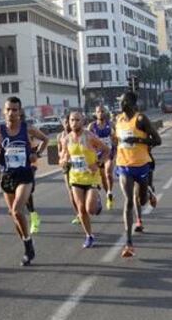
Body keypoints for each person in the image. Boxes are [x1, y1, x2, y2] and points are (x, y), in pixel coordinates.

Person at [0, 96, 49, 266]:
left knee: (16, 210)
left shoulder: (27, 129)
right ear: (3, 111)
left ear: (20, 112)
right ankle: (27, 244)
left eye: (15, 110)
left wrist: (37, 153)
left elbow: (45, 139)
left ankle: (28, 245)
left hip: (25, 175)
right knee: (14, 215)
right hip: (8, 176)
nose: (11, 113)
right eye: (8, 110)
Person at [112, 91, 161, 258]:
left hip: (141, 165)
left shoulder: (141, 119)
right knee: (128, 201)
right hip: (124, 165)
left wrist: (139, 141)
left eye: (124, 101)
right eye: (120, 101)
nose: (121, 104)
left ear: (132, 104)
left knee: (142, 200)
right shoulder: (118, 120)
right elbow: (117, 139)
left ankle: (148, 190)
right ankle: (129, 242)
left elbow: (157, 140)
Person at [60, 110, 109, 248]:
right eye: (72, 120)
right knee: (81, 209)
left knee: (90, 209)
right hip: (75, 177)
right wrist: (63, 161)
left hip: (91, 177)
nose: (74, 123)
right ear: (68, 122)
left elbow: (106, 150)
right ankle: (89, 236)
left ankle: (96, 201)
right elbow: (63, 157)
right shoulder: (66, 139)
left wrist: (98, 163)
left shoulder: (90, 136)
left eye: (77, 120)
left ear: (83, 121)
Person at [89, 105, 116, 208]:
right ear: (95, 113)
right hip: (97, 154)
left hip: (109, 152)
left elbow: (116, 138)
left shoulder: (111, 124)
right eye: (98, 111)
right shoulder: (92, 126)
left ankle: (110, 192)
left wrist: (116, 146)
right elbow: (88, 140)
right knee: (103, 177)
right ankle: (108, 194)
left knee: (108, 172)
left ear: (105, 113)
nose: (100, 113)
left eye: (102, 111)